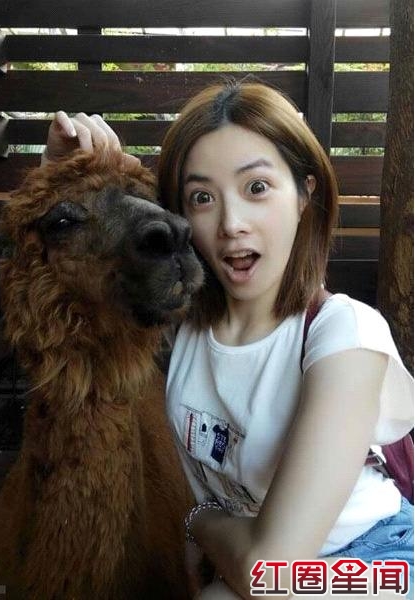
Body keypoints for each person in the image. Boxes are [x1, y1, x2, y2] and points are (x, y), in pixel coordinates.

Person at [41, 81, 414, 600]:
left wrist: (197, 522)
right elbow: (67, 300)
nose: (231, 224)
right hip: (250, 559)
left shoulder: (344, 336)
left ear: (304, 194)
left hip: (374, 560)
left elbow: (271, 572)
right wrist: (59, 176)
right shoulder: (186, 327)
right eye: (202, 198)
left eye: (256, 187)